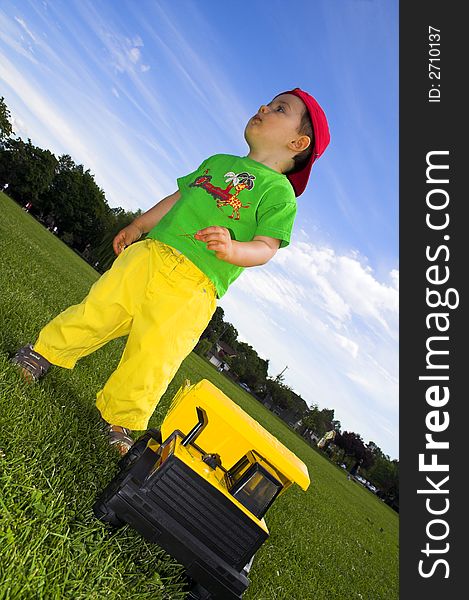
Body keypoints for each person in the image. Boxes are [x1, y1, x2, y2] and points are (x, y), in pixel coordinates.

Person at [11, 88, 330, 455]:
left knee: (154, 356)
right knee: (96, 311)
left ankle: (121, 420)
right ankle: (41, 354)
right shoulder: (218, 162)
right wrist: (139, 225)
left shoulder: (279, 194)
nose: (263, 107)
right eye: (268, 102)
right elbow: (178, 198)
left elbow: (267, 247)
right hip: (149, 256)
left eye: (279, 109)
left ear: (298, 141)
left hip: (194, 286)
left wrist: (233, 248)